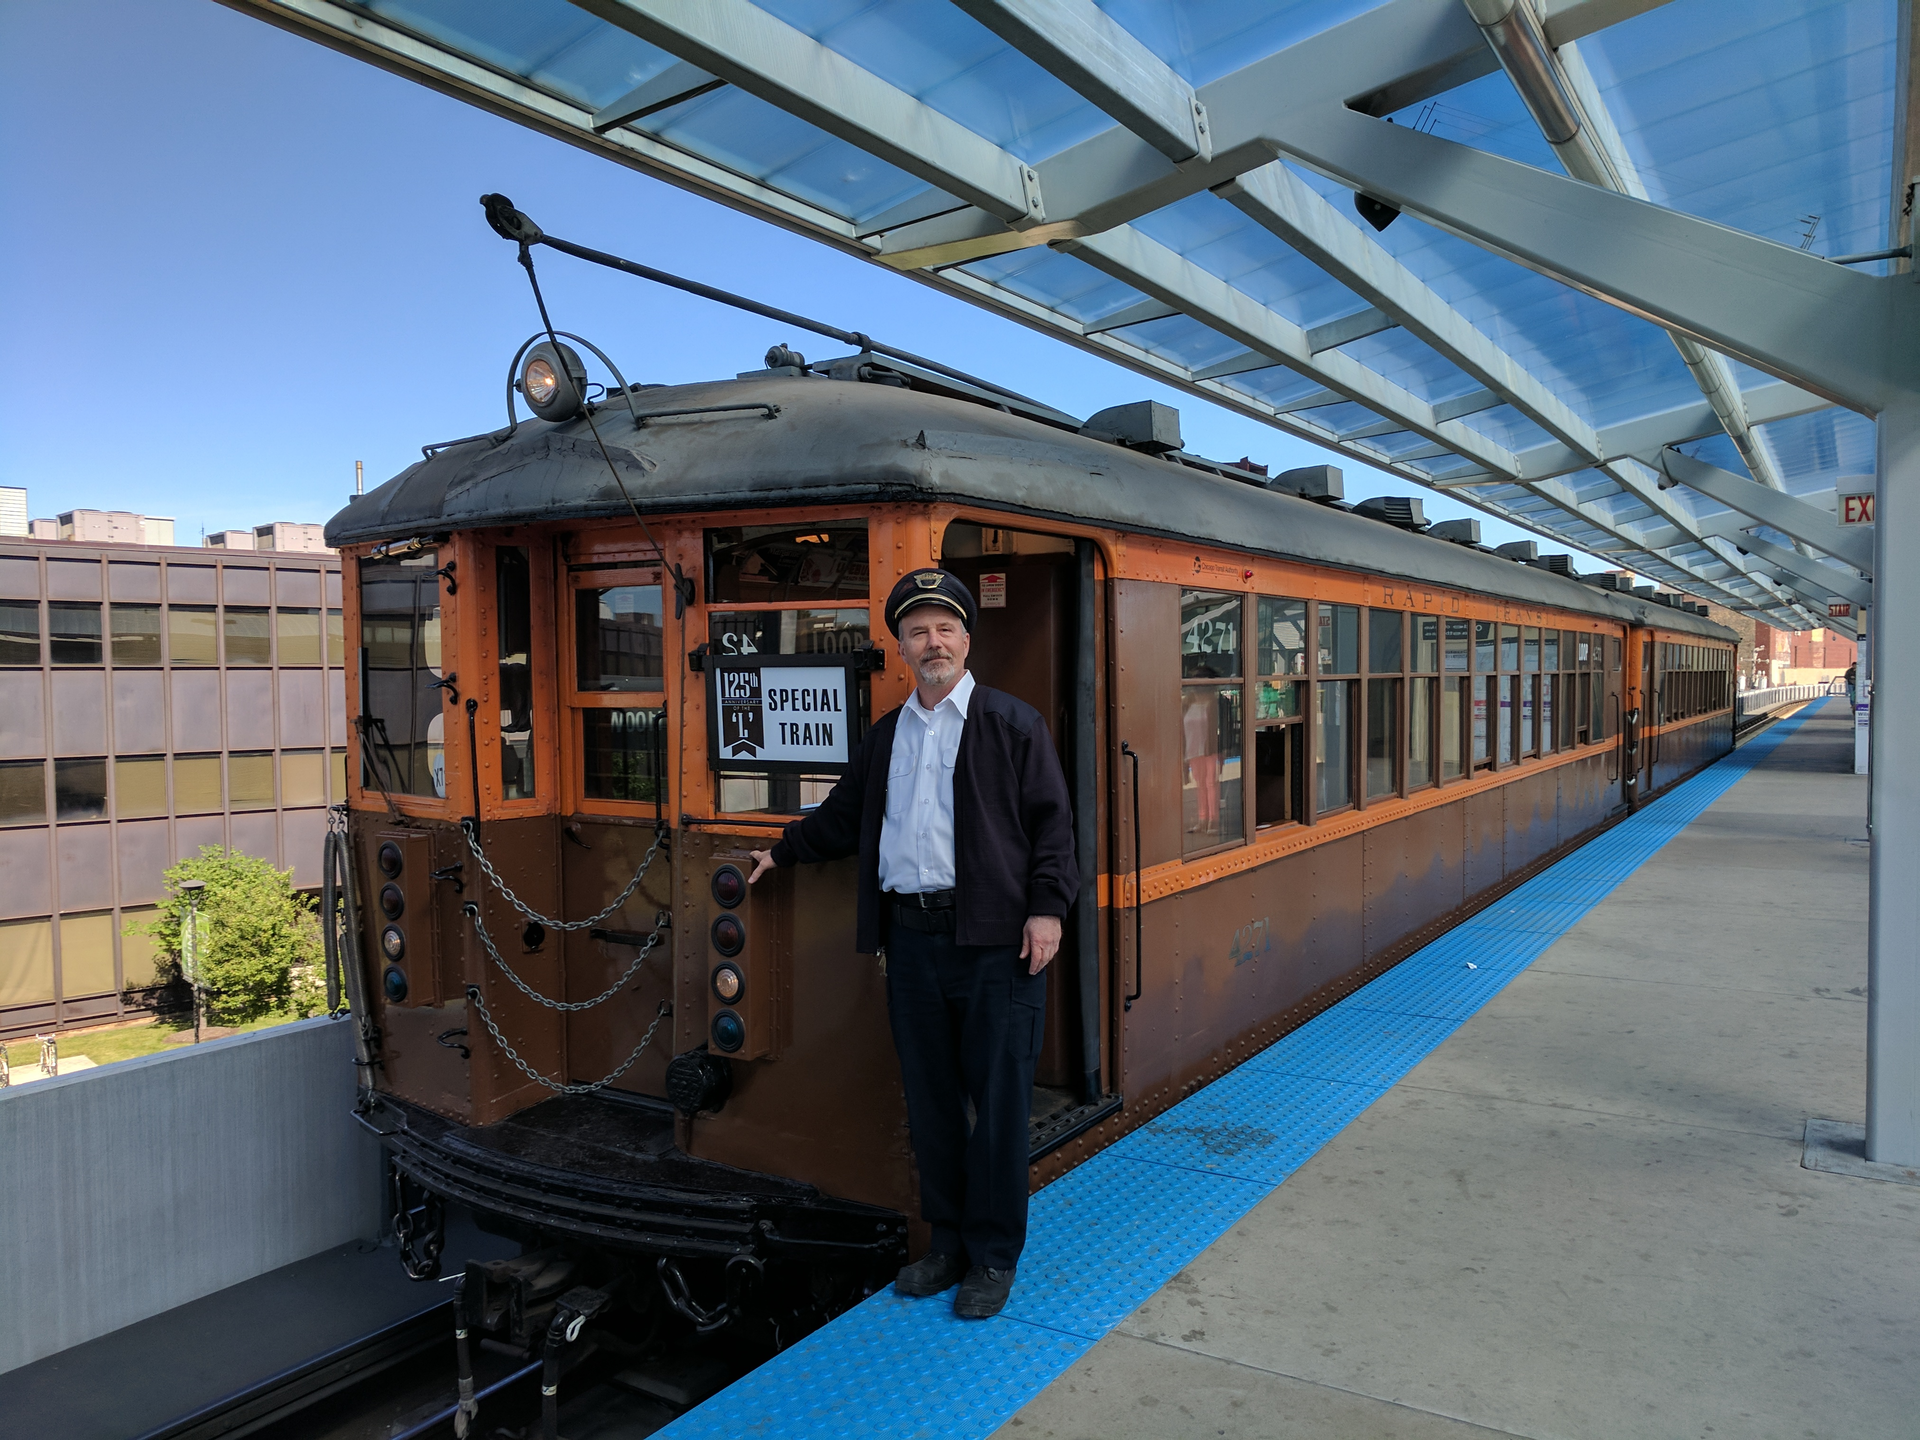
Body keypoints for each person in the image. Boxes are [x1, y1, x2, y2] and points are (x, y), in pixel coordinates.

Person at [745, 567, 1077, 1319]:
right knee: (931, 1105)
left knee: (996, 1107)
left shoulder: (1011, 723)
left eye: (946, 628)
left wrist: (1047, 910)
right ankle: (948, 1244)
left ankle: (993, 1258)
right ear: (901, 648)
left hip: (997, 944)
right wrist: (786, 850)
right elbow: (844, 815)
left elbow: (1054, 829)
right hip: (915, 943)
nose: (934, 643)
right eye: (919, 631)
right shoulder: (887, 736)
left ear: (967, 638)